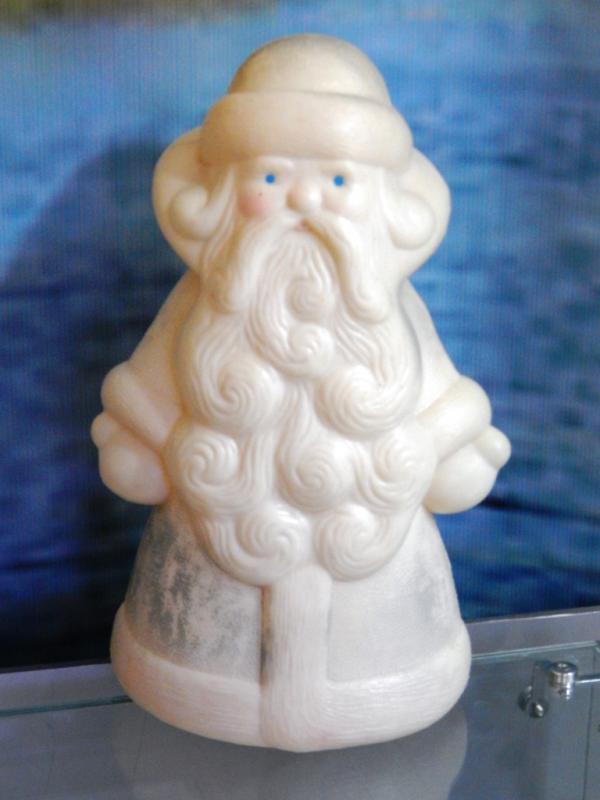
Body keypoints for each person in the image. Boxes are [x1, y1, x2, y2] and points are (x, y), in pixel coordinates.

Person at [92, 34, 510, 751]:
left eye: (338, 181)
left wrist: (448, 445)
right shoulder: (206, 313)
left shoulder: (384, 314)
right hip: (199, 642)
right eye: (272, 178)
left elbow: (446, 416)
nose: (306, 201)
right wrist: (143, 440)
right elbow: (141, 409)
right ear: (224, 194)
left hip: (386, 641)